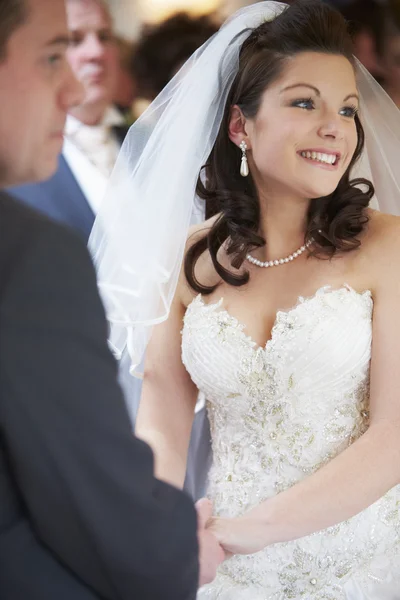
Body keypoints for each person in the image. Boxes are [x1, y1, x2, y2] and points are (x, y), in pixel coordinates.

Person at [90, 0, 400, 598]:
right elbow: (160, 426)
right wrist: (164, 531)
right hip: (222, 567)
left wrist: (248, 530)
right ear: (241, 126)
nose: (334, 125)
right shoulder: (187, 260)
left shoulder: (389, 246)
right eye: (304, 102)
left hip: (359, 565)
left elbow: (393, 435)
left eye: (347, 108)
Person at [0, 0, 223, 598]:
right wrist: (175, 549)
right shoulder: (28, 250)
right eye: (55, 52)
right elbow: (81, 494)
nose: (74, 80)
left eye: (103, 37)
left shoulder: (152, 144)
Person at [9, 0, 126, 242]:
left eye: (104, 36)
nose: (96, 52)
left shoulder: (149, 138)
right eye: (74, 39)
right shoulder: (18, 157)